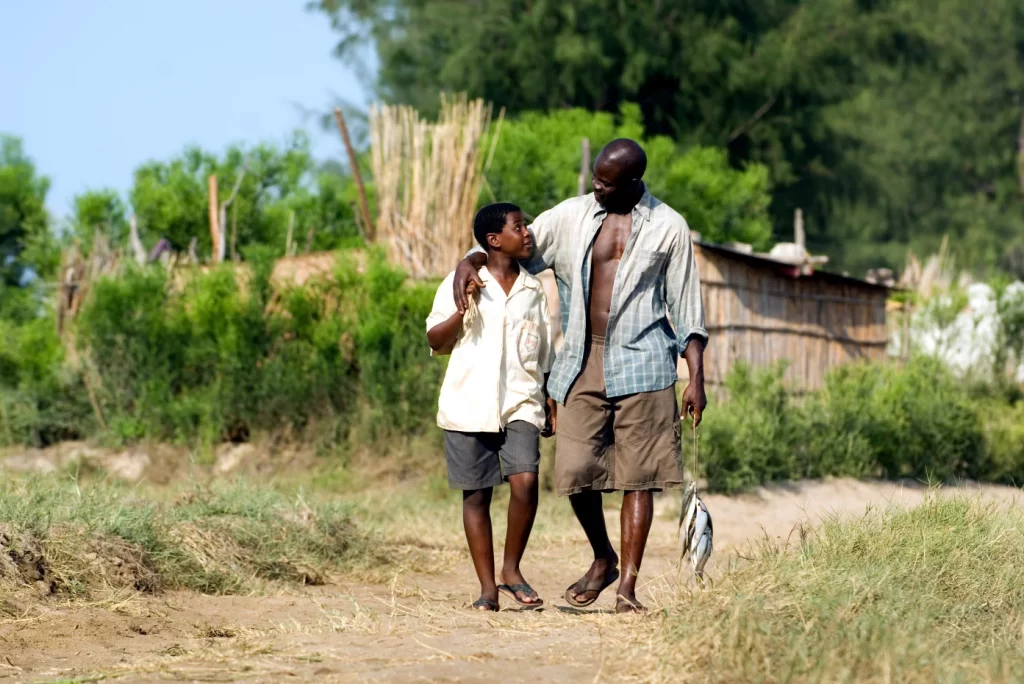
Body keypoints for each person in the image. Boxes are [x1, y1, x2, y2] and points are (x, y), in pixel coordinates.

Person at [453, 139, 708, 613]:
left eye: (606, 182)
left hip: (646, 360)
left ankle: (627, 589)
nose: (596, 187)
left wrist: (695, 376)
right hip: (582, 359)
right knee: (576, 471)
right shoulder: (570, 215)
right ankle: (602, 556)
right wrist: (466, 262)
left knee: (641, 477)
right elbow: (509, 245)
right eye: (595, 177)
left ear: (632, 183)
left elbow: (688, 307)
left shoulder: (670, 227)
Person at [427, 202, 556, 612]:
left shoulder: (534, 289)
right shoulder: (461, 280)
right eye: (519, 227)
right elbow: (435, 340)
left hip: (521, 401)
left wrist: (549, 395)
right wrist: (462, 307)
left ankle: (511, 570)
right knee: (476, 496)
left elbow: (545, 348)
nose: (527, 233)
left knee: (525, 481)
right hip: (468, 403)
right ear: (493, 240)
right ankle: (487, 589)